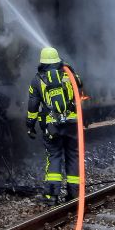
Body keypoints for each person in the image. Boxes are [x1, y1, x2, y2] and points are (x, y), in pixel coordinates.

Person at [26, 47, 83, 203]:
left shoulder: (37, 80)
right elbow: (80, 90)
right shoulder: (70, 75)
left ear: (42, 62)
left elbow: (33, 106)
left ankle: (51, 195)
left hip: (52, 126)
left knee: (54, 156)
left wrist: (30, 125)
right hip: (72, 124)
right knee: (73, 156)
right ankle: (74, 193)